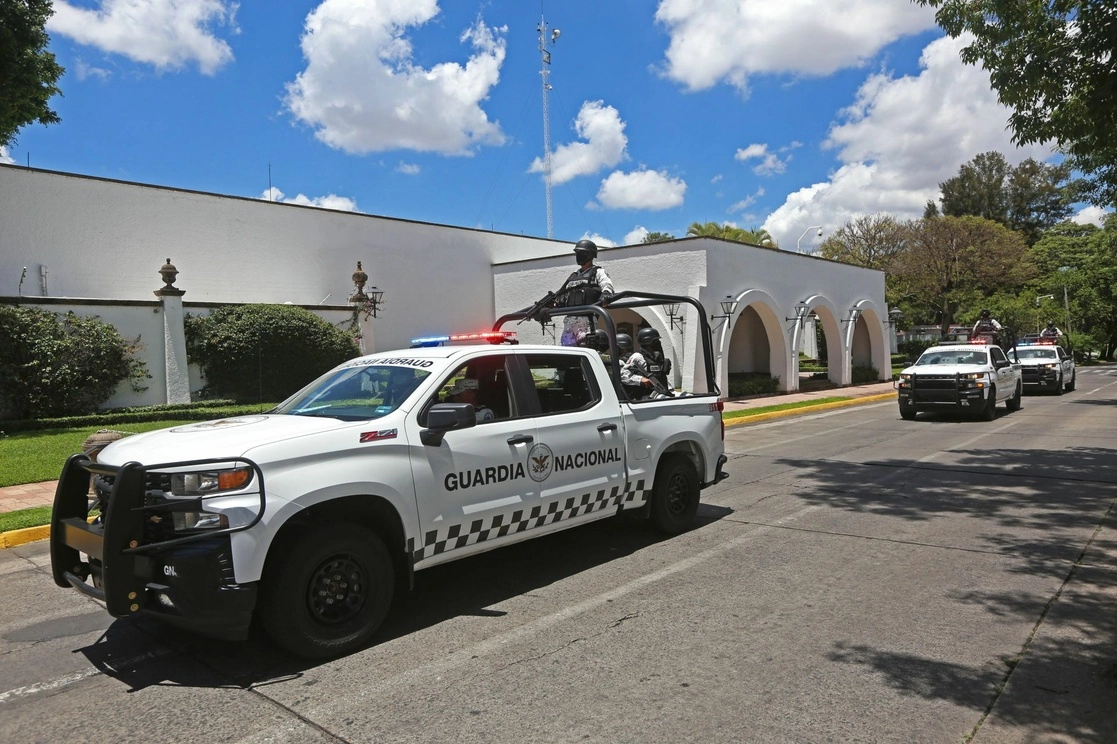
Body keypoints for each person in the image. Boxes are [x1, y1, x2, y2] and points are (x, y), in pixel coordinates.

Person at [557, 239, 614, 346]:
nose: (578, 256)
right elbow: (560, 294)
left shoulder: (597, 272)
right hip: (569, 321)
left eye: (581, 253)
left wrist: (606, 294)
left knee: (585, 350)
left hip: (586, 320)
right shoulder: (573, 275)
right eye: (577, 253)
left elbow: (607, 285)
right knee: (566, 353)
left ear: (590, 255)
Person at [636, 327, 673, 392]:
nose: (658, 343)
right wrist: (640, 379)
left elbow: (659, 377)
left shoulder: (656, 357)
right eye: (655, 341)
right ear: (647, 342)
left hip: (660, 393)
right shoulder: (638, 357)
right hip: (645, 396)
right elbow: (623, 374)